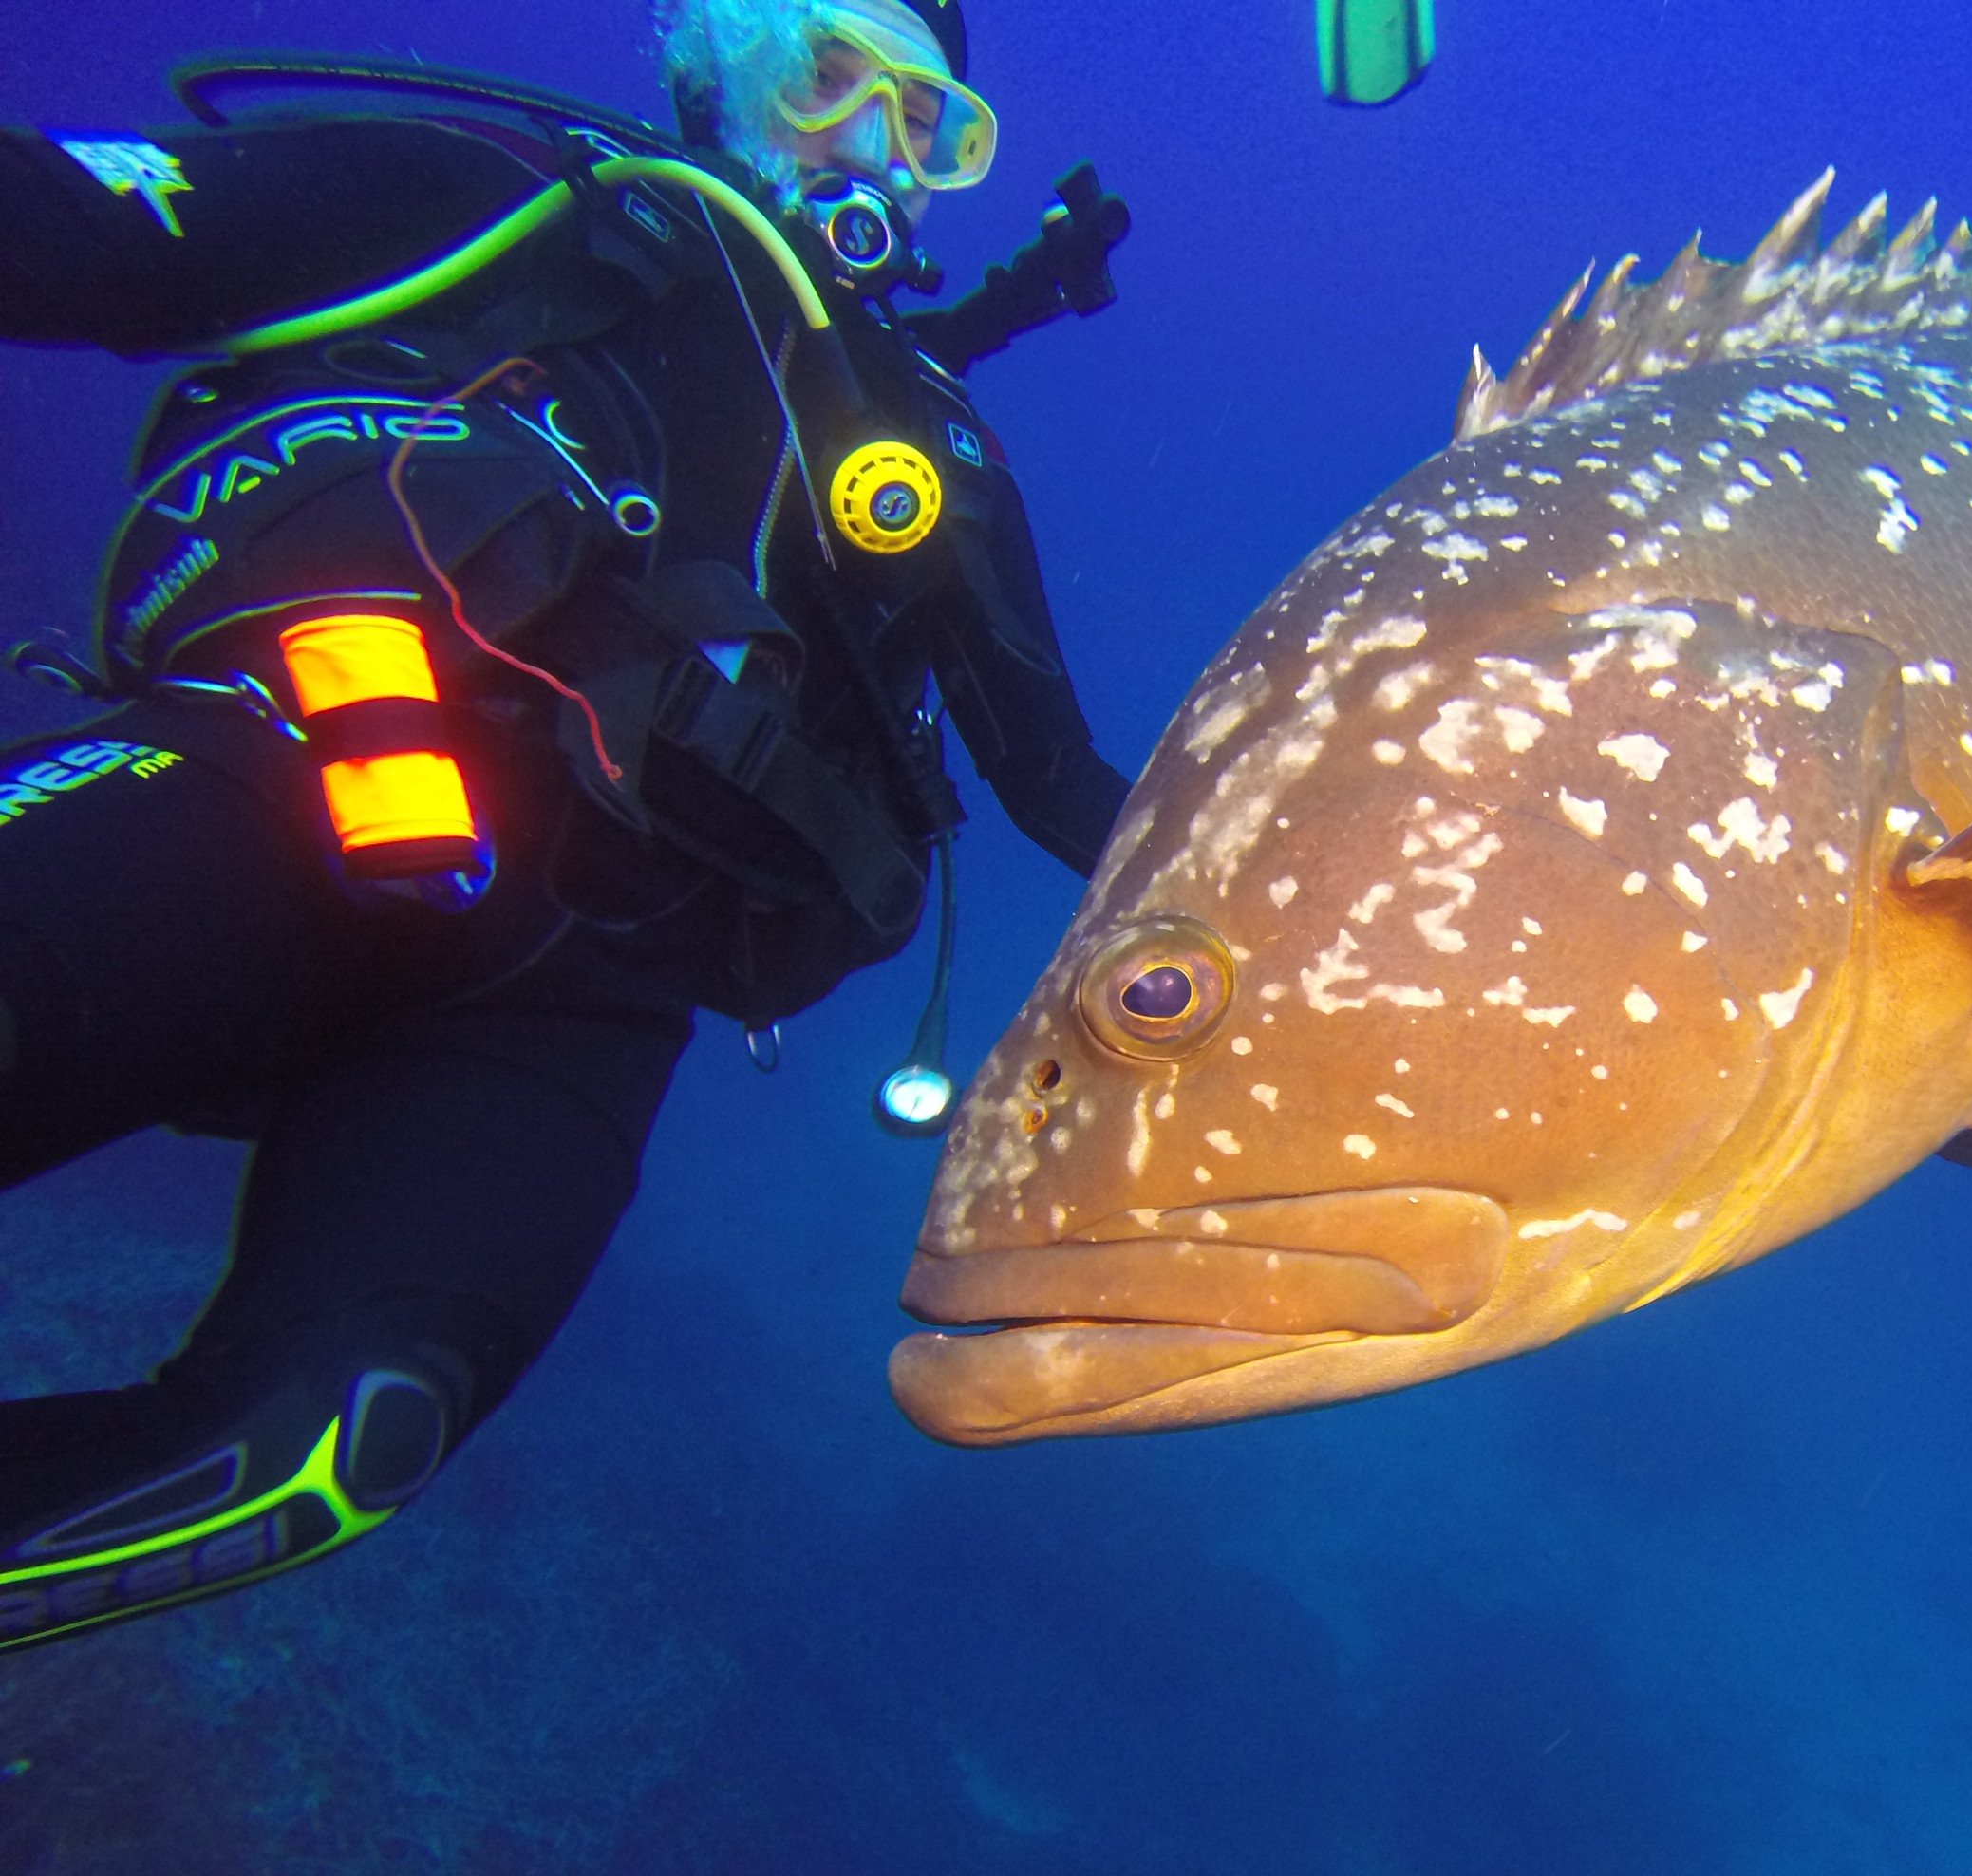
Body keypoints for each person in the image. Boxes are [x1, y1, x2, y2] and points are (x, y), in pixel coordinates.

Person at [0, 0, 1136, 1649]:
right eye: (830, 74)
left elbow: (1060, 778)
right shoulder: (512, 194)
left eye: (931, 123)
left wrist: (1344, 913)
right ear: (707, 67)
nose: (872, 143)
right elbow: (64, 228)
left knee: (317, 1446)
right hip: (304, 770)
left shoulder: (927, 440)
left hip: (583, 996)